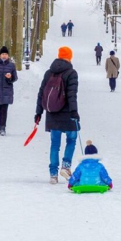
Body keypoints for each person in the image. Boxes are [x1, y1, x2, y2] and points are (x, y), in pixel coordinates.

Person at [35, 46, 80, 184]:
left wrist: (38, 112)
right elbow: (72, 94)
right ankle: (65, 167)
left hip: (52, 114)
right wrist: (74, 111)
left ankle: (53, 173)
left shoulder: (49, 72)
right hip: (67, 113)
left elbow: (42, 92)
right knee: (71, 139)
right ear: (69, 57)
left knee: (55, 144)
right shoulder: (71, 73)